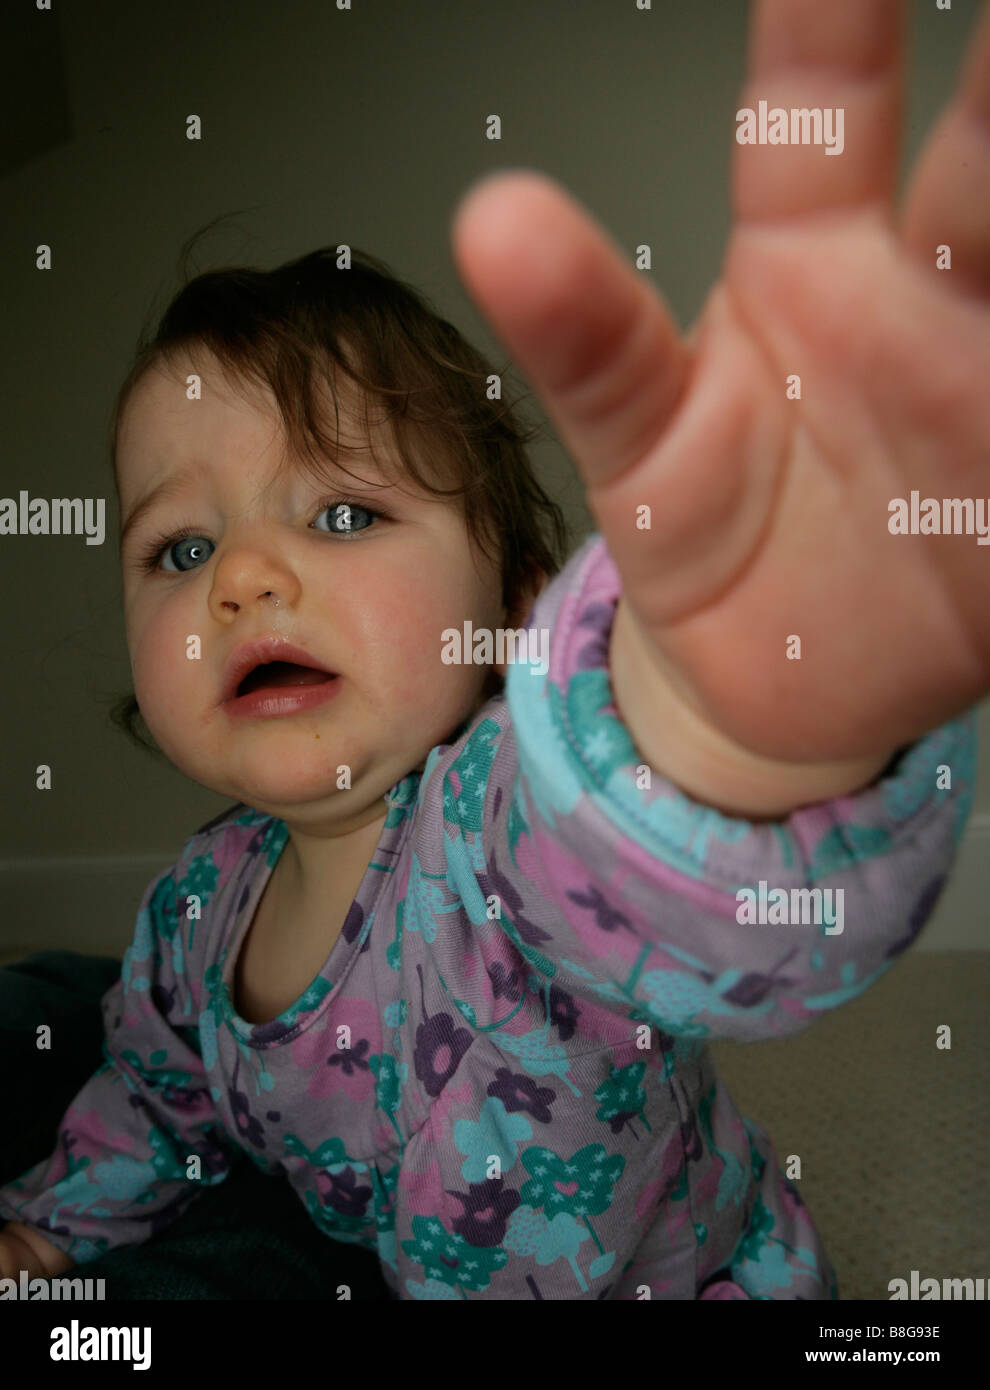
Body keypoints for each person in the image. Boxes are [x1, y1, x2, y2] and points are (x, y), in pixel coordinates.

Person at [2, 0, 988, 1300]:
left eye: (343, 513)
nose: (241, 577)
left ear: (519, 615)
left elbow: (667, 863)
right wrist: (54, 1227)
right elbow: (154, 1101)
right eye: (178, 549)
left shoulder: (505, 826)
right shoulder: (193, 915)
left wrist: (730, 723)